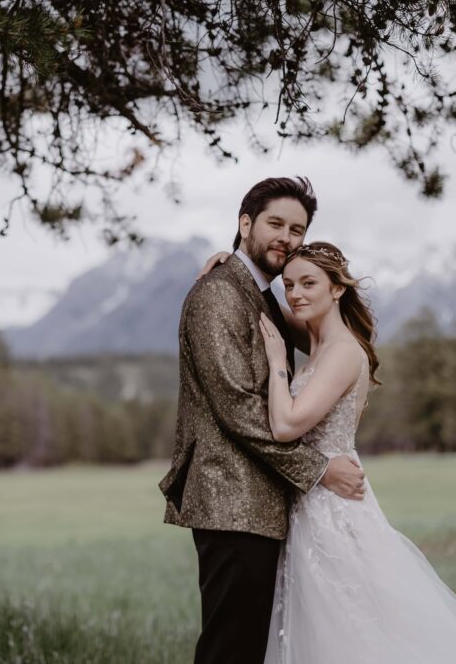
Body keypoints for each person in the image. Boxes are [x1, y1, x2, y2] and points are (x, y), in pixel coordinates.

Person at [213, 241, 456, 663]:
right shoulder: (320, 343)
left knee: (348, 625)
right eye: (289, 285)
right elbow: (266, 306)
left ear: (337, 289)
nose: (296, 294)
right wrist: (232, 270)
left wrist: (276, 364)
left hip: (332, 508)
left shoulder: (343, 352)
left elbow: (286, 425)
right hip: (311, 499)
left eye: (309, 283)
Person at [158, 177, 367, 664]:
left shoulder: (262, 294)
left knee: (249, 646)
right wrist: (318, 468)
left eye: (297, 229)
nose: (287, 238)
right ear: (244, 223)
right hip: (231, 500)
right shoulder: (219, 295)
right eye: (276, 223)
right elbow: (238, 410)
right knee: (230, 649)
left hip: (258, 504)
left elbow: (325, 327)